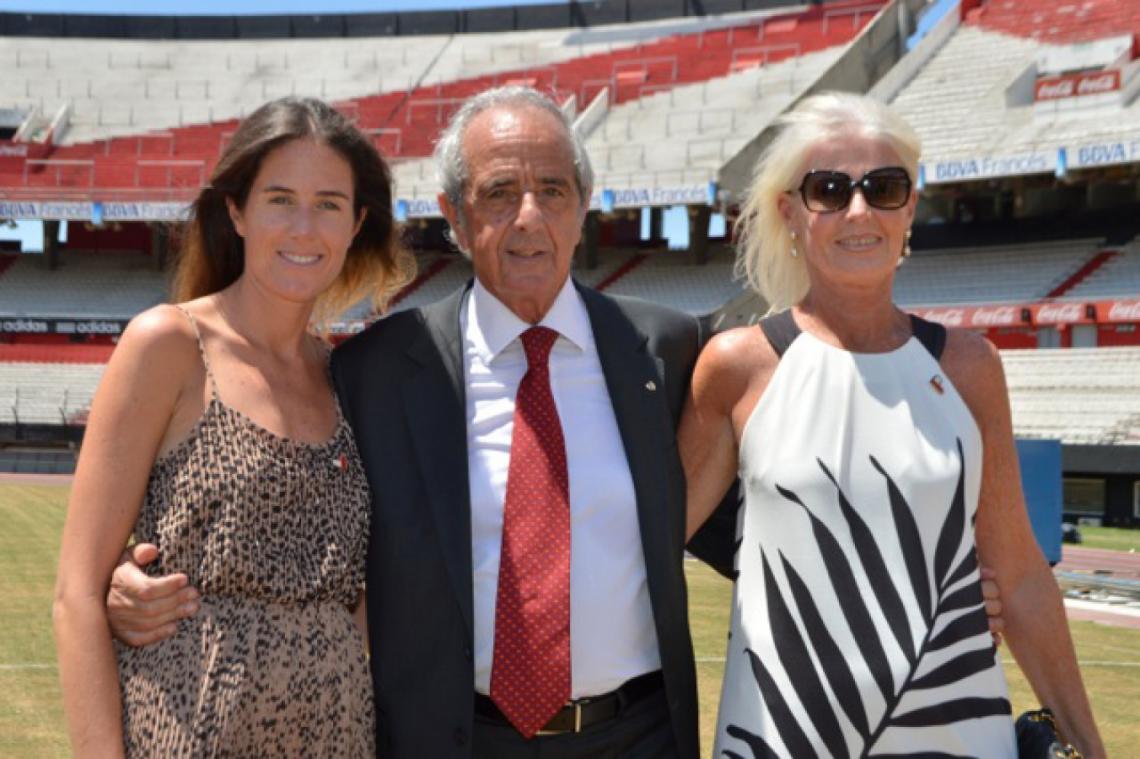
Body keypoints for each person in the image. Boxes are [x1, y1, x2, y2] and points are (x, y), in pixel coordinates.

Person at [101, 86, 1006, 758]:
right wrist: (129, 579)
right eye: (497, 194)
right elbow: (295, 518)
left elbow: (763, 520)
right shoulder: (377, 370)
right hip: (455, 737)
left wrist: (937, 573)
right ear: (454, 218)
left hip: (638, 734)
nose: (528, 217)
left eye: (551, 189)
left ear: (583, 206)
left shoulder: (669, 349)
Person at [678, 92, 1105, 757]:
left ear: (909, 208)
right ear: (789, 210)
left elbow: (1019, 574)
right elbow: (645, 552)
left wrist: (1090, 745)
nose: (858, 210)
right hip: (781, 738)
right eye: (829, 188)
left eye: (883, 187)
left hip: (961, 735)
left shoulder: (970, 368)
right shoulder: (738, 366)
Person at [52, 96, 413, 757]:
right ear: (237, 211)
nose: (304, 227)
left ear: (357, 222)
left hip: (337, 736)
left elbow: (362, 593)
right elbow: (77, 592)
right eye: (280, 198)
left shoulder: (346, 377)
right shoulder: (169, 344)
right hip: (189, 734)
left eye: (329, 203)